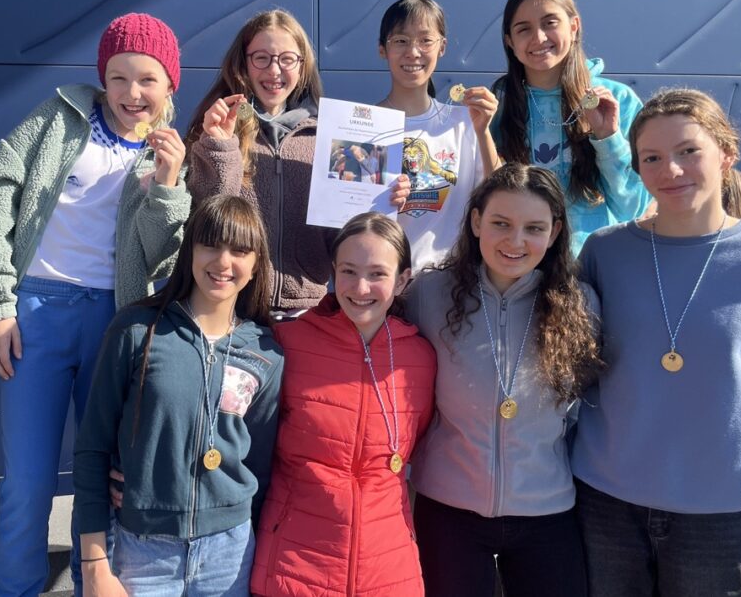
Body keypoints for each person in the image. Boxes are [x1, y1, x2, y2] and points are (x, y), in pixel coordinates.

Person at [0, 13, 191, 596]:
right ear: (101, 77)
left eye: (147, 79)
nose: (132, 93)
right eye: (119, 77)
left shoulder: (169, 153)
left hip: (115, 321)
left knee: (103, 473)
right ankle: (16, 588)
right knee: (28, 480)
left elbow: (160, 257)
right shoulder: (59, 118)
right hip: (35, 314)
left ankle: (99, 585)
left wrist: (168, 186)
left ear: (170, 84)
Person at [572, 88, 741, 596]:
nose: (671, 170)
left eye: (688, 151)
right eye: (652, 158)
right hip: (605, 503)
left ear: (727, 154)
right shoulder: (605, 251)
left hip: (717, 512)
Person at [406, 163, 602, 596]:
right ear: (476, 222)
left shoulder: (579, 305)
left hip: (547, 510)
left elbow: (586, 405)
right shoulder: (429, 294)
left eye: (534, 228)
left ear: (554, 233)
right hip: (448, 509)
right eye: (500, 223)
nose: (515, 241)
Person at [73, 194, 283, 596]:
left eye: (240, 251)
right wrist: (94, 564)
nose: (223, 262)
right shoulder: (137, 330)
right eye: (210, 245)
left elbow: (260, 464)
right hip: (143, 551)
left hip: (230, 555)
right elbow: (92, 450)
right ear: (190, 252)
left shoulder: (266, 352)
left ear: (257, 264)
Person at [251, 213, 436, 596]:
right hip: (294, 568)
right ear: (333, 272)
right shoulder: (288, 343)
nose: (361, 287)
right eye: (349, 271)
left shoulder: (420, 359)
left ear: (403, 280)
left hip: (388, 572)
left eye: (377, 274)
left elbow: (416, 445)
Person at [187, 9, 411, 318]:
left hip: (305, 312)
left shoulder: (329, 137)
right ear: (244, 63)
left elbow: (344, 239)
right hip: (233, 307)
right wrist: (220, 147)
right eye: (261, 58)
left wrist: (380, 202)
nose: (274, 70)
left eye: (287, 59)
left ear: (303, 66)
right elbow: (210, 219)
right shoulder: (217, 129)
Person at [491, 0, 650, 254]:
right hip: (520, 259)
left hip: (593, 262)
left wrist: (608, 137)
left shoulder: (617, 100)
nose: (539, 38)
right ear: (510, 42)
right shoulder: (497, 104)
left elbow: (632, 207)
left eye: (550, 23)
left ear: (574, 26)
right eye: (524, 29)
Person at [377, 0, 502, 271]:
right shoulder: (362, 126)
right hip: (383, 281)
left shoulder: (465, 121)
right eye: (400, 40)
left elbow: (501, 196)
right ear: (382, 49)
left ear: (442, 46)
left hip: (452, 280)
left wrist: (483, 132)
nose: (413, 52)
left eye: (425, 40)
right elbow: (343, 220)